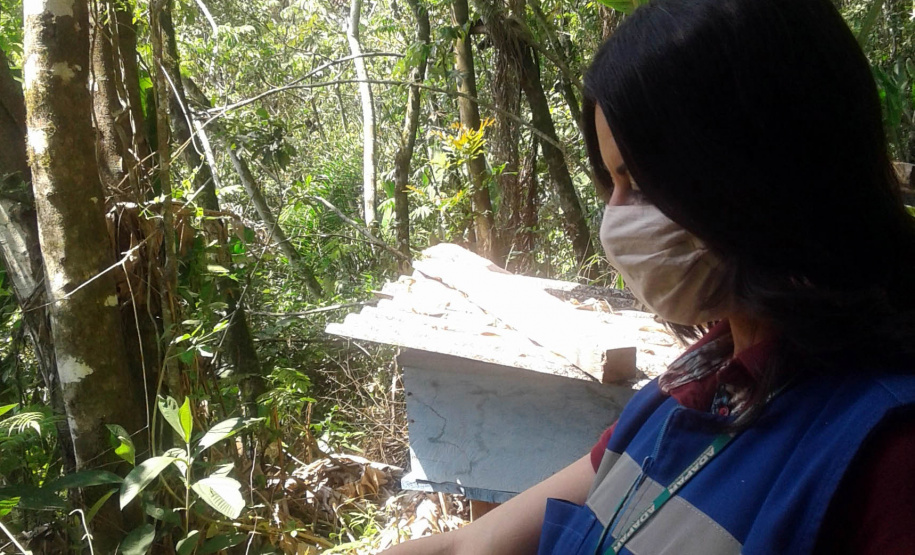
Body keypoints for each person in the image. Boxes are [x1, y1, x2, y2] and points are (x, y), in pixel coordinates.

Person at [384, 0, 915, 552]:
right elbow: (475, 544)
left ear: (763, 172)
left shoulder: (886, 458)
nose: (616, 219)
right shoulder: (689, 390)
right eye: (612, 184)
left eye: (640, 183)